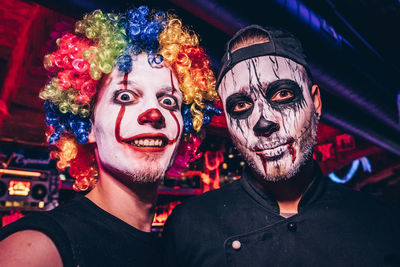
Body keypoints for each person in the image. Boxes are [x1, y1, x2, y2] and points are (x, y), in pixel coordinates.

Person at [163, 25, 400, 266]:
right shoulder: (189, 227)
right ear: (227, 121)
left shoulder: (385, 225)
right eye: (241, 106)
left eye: (283, 94)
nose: (263, 122)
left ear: (315, 102)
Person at [0, 6, 217, 267]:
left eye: (168, 101)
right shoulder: (39, 249)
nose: (154, 113)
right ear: (87, 126)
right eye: (125, 96)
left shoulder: (174, 251)